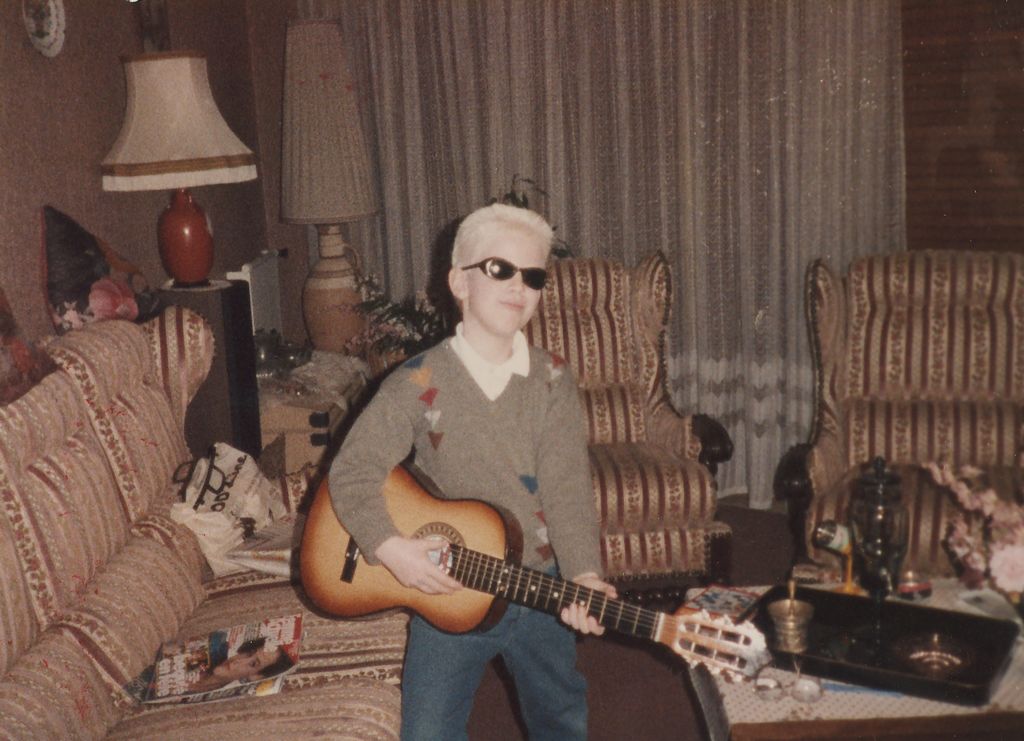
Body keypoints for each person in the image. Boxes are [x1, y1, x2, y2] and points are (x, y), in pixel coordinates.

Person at [328, 203, 616, 740]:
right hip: (448, 592)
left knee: (560, 716)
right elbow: (351, 472)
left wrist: (583, 574)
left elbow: (567, 487)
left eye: (533, 276)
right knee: (426, 733)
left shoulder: (552, 379)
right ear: (460, 282)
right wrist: (391, 547)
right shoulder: (415, 382)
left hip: (539, 586)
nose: (519, 286)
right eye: (500, 269)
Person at [184, 635, 294, 694]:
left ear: (256, 676)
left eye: (253, 664)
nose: (238, 661)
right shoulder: (210, 650)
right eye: (248, 653)